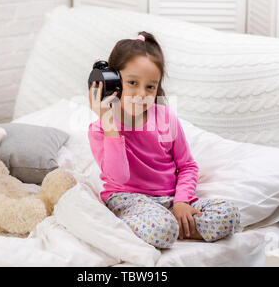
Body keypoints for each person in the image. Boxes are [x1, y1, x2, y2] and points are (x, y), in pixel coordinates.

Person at [87, 31, 241, 249]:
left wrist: (181, 202)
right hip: (127, 199)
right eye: (132, 82)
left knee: (229, 213)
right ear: (113, 82)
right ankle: (159, 227)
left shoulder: (166, 118)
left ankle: (169, 225)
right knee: (163, 229)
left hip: (168, 201)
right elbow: (119, 177)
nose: (142, 94)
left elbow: (187, 166)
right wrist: (110, 125)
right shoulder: (100, 129)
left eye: (150, 87)